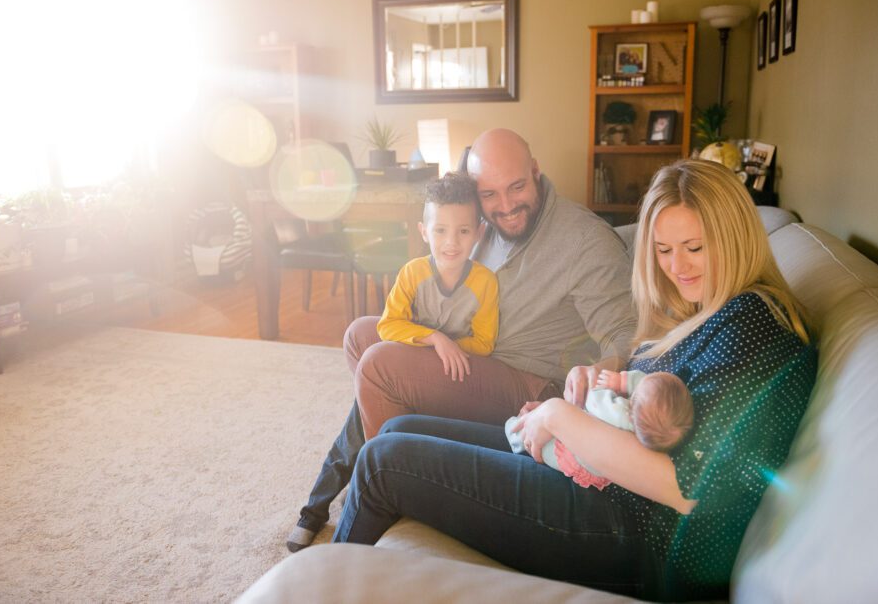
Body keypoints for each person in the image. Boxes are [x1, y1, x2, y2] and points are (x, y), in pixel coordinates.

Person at [332, 159, 818, 601]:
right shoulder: (710, 309)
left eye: (694, 248)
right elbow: (654, 406)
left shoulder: (752, 324)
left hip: (632, 532)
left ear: (734, 237)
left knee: (382, 461)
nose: (676, 267)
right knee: (400, 431)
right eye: (664, 250)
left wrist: (559, 416)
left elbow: (688, 490)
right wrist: (599, 382)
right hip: (591, 475)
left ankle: (319, 587)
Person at [287, 128, 635, 551]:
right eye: (489, 194)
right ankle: (369, 472)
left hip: (531, 386)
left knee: (380, 366)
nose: (505, 206)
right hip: (475, 360)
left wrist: (598, 372)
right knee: (362, 334)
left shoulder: (584, 241)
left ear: (537, 172)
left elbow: (626, 334)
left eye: (518, 187)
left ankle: (385, 493)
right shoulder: (485, 226)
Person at [375, 171, 498, 386]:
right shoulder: (412, 273)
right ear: (424, 232)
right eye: (440, 230)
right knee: (360, 341)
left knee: (376, 360)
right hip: (418, 351)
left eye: (464, 231)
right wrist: (435, 339)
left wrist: (449, 347)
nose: (451, 242)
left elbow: (484, 343)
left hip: (457, 366)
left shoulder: (486, 282)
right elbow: (388, 325)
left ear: (479, 232)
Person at [504, 369, 693, 490]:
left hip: (568, 450)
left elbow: (594, 400)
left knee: (523, 434)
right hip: (590, 456)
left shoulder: (620, 413)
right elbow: (652, 389)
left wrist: (615, 383)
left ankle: (514, 435)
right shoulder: (653, 425)